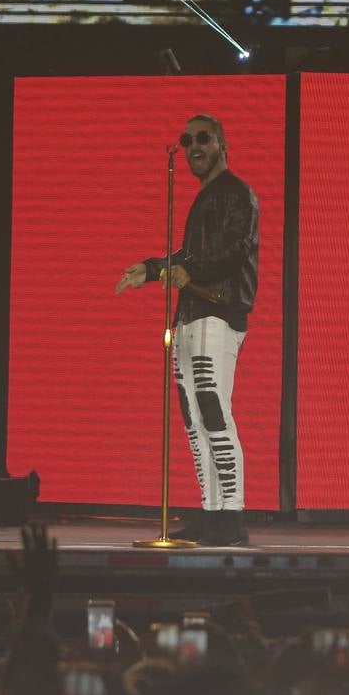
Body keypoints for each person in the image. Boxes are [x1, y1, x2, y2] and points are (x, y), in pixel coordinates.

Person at [115, 114, 260, 547]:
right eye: (188, 139)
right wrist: (154, 267)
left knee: (214, 411)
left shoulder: (236, 193)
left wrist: (184, 267)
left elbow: (235, 250)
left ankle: (232, 517)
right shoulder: (205, 198)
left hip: (219, 311)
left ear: (222, 144)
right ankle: (210, 512)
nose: (194, 146)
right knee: (194, 419)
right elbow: (193, 254)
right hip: (192, 314)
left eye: (203, 138)